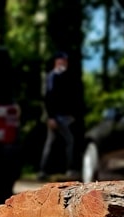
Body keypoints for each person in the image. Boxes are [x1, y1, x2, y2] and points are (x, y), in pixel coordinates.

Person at [37, 51, 78, 180]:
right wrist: (51, 117)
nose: (64, 63)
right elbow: (48, 98)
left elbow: (66, 99)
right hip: (56, 117)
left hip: (62, 117)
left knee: (51, 143)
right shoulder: (52, 77)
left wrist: (70, 115)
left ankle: (43, 171)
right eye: (62, 61)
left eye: (66, 61)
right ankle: (69, 169)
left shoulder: (63, 77)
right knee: (69, 141)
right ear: (57, 62)